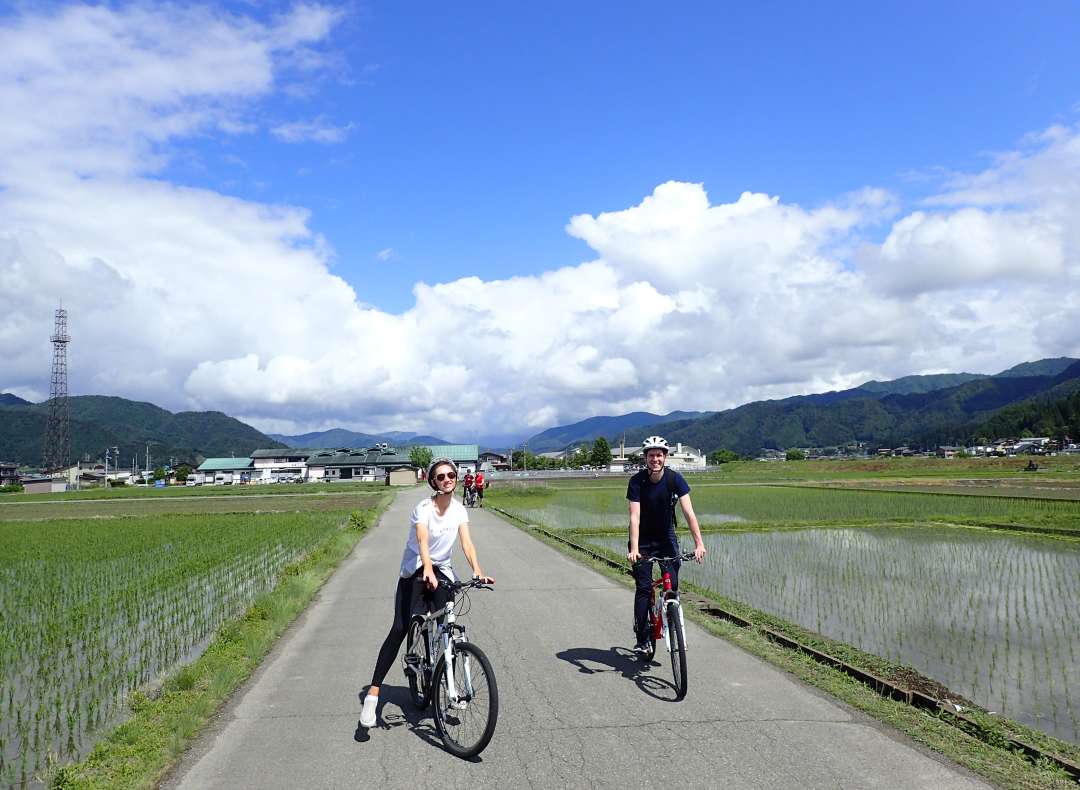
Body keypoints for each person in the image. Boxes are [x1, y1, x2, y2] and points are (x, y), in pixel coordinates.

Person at [360, 457, 495, 729]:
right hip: (416, 569)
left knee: (448, 622)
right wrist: (428, 570)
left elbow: (466, 543)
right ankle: (373, 696)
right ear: (433, 481)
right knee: (399, 628)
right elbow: (422, 540)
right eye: (441, 476)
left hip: (442, 568)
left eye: (451, 475)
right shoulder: (423, 508)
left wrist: (478, 570)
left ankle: (448, 684)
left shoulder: (458, 510)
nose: (447, 480)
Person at [626, 435, 706, 654]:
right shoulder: (637, 481)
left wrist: (699, 544)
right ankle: (643, 637)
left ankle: (671, 620)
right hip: (641, 540)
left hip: (666, 538)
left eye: (659, 455)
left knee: (672, 586)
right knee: (643, 589)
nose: (655, 459)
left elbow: (689, 513)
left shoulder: (674, 479)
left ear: (665, 457)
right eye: (651, 455)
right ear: (645, 458)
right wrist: (634, 550)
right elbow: (635, 517)